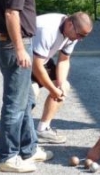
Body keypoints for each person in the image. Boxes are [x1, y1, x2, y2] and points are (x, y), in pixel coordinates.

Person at [0, 0, 53, 173]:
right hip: (13, 46)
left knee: (24, 101)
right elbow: (11, 13)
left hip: (8, 44)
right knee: (15, 105)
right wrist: (19, 48)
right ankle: (8, 156)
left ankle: (29, 149)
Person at [31, 11, 93, 144]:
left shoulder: (73, 34)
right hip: (20, 60)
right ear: (70, 24)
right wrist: (53, 90)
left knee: (64, 87)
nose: (80, 39)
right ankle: (18, 131)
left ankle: (43, 129)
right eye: (80, 35)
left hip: (41, 59)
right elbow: (36, 67)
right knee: (32, 92)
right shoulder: (47, 30)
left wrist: (60, 83)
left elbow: (64, 60)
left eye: (84, 36)